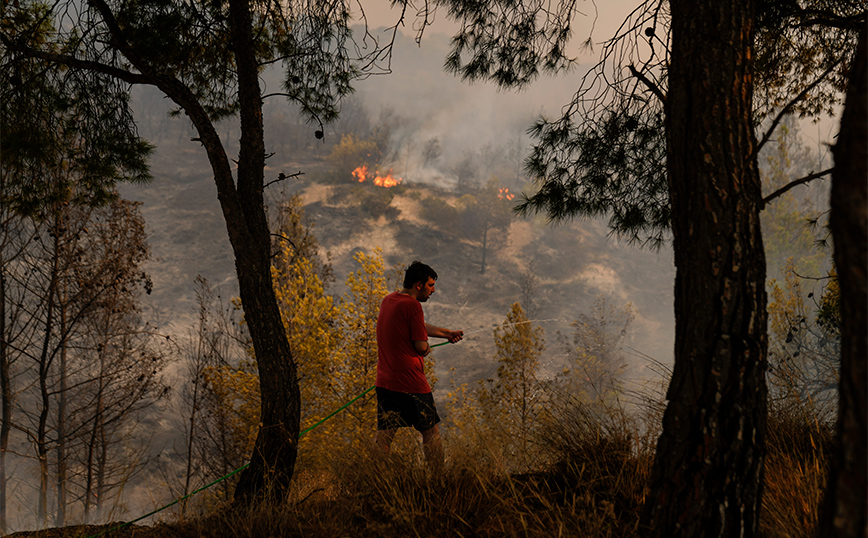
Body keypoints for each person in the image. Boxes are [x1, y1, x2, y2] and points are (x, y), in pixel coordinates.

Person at [374, 261, 463, 470]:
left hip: (386, 382)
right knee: (431, 433)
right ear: (419, 285)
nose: (433, 290)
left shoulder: (390, 300)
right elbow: (421, 345)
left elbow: (415, 326)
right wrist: (424, 348)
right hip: (411, 383)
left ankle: (374, 479)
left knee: (385, 435)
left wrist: (447, 333)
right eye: (431, 285)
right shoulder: (413, 306)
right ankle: (438, 479)